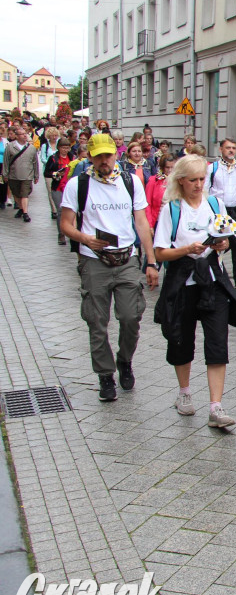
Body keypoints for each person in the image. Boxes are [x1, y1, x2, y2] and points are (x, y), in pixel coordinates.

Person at [59, 134, 160, 401]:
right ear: (90, 156)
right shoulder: (78, 184)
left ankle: (124, 360)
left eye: (109, 155)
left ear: (117, 155)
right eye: (99, 156)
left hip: (127, 259)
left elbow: (142, 223)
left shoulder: (130, 182)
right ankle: (105, 375)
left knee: (130, 317)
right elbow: (66, 223)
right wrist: (86, 239)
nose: (104, 160)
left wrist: (150, 262)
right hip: (94, 261)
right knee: (97, 322)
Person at [153, 154, 236, 428]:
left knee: (217, 342)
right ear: (181, 181)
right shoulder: (172, 208)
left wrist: (222, 245)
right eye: (193, 180)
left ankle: (216, 407)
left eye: (202, 179)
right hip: (182, 282)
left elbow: (226, 237)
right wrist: (187, 249)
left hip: (212, 281)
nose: (199, 185)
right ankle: (184, 393)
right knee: (181, 339)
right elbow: (160, 252)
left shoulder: (214, 203)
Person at [204, 138, 236, 287]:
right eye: (228, 148)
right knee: (219, 241)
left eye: (234, 148)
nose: (231, 150)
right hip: (218, 211)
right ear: (221, 150)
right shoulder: (213, 168)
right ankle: (213, 268)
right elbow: (206, 189)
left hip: (235, 209)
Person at [3, 123, 39, 222]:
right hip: (13, 175)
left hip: (27, 175)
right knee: (16, 194)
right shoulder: (10, 146)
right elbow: (6, 161)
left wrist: (36, 175)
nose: (24, 135)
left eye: (25, 133)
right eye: (22, 134)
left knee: (24, 194)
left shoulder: (31, 148)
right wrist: (5, 174)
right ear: (17, 136)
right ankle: (21, 209)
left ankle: (25, 213)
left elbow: (35, 162)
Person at [43, 138, 73, 244]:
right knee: (60, 210)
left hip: (69, 188)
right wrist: (55, 174)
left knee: (70, 211)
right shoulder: (53, 158)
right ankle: (61, 234)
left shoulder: (72, 157)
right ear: (59, 148)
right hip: (57, 187)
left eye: (67, 148)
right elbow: (46, 173)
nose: (65, 150)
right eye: (63, 148)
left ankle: (71, 232)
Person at [145, 154, 176, 231]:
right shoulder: (153, 180)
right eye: (167, 167)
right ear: (162, 167)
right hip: (158, 221)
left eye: (172, 167)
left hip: (174, 220)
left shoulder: (179, 181)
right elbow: (147, 203)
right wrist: (149, 225)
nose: (170, 170)